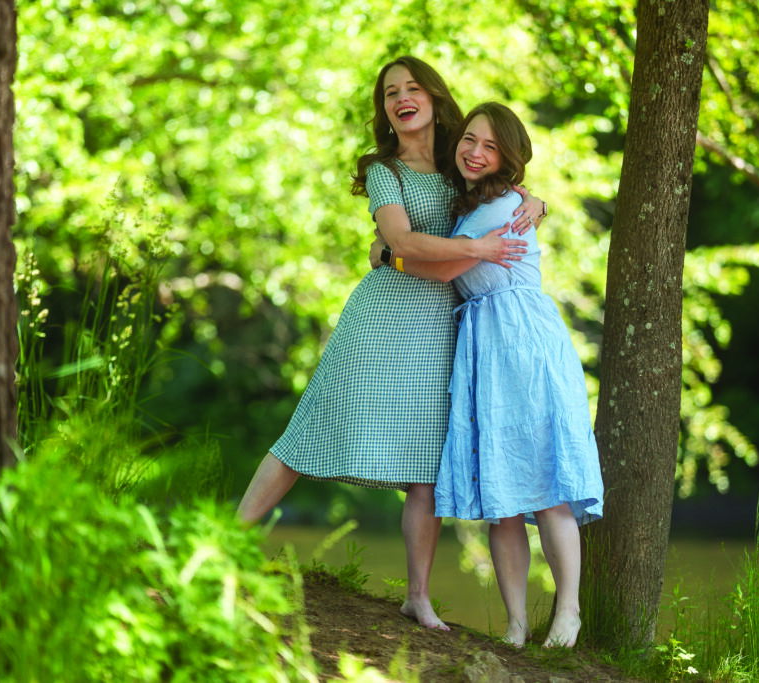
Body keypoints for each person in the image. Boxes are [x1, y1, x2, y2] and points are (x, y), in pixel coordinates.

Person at [235, 57, 547, 632]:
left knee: (427, 463)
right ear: (385, 110)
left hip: (441, 324)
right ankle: (228, 546)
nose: (400, 98)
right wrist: (470, 252)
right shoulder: (385, 171)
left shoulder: (460, 161)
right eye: (389, 94)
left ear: (433, 96)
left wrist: (537, 202)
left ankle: (419, 597)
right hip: (381, 319)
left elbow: (505, 185)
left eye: (411, 89)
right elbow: (399, 239)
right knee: (307, 430)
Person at [370, 102, 603, 649]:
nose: (475, 152)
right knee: (502, 498)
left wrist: (388, 255)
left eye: (490, 147)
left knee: (547, 483)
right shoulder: (479, 203)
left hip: (519, 339)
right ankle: (518, 624)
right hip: (484, 344)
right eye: (469, 140)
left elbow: (447, 265)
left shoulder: (506, 206)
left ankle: (568, 610)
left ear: (509, 160)